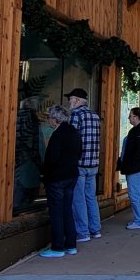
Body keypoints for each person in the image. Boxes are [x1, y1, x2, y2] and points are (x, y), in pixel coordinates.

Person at [39, 104, 80, 258]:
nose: (49, 120)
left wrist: (45, 175)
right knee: (67, 209)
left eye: (50, 117)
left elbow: (52, 159)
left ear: (55, 120)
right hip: (72, 175)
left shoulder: (57, 135)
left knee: (56, 212)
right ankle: (71, 244)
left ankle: (57, 247)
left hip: (57, 178)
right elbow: (79, 153)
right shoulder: (74, 132)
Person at [67, 87, 102, 242]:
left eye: (70, 99)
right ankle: (95, 229)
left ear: (77, 100)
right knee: (90, 198)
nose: (69, 102)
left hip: (79, 163)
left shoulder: (76, 114)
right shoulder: (94, 115)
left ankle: (82, 232)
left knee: (78, 198)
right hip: (93, 163)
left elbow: (72, 138)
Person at [117, 106, 140, 230]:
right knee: (137, 194)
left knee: (135, 195)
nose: (128, 118)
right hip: (135, 168)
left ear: (136, 117)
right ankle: (139, 220)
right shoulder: (138, 130)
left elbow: (138, 152)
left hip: (136, 169)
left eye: (130, 115)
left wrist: (129, 165)